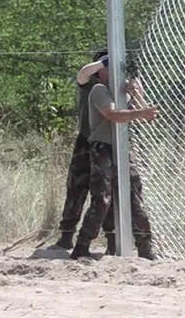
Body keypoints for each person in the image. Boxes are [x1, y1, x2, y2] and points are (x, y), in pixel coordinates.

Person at [70, 58, 160, 261]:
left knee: (134, 195)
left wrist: (136, 93)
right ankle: (82, 245)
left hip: (122, 147)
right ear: (102, 72)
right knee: (102, 198)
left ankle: (145, 246)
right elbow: (113, 115)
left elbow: (143, 114)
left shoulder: (122, 91)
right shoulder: (99, 90)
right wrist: (141, 112)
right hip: (102, 147)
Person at [48, 50, 115, 252]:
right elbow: (83, 73)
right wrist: (106, 60)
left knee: (106, 191)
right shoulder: (91, 85)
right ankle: (66, 235)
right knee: (76, 187)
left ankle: (112, 239)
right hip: (86, 141)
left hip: (108, 143)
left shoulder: (117, 86)